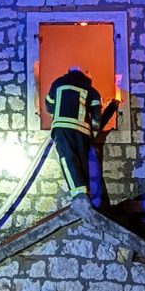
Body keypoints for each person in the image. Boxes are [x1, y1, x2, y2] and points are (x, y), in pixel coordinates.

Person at [45, 67, 119, 201]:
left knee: (68, 159)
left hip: (62, 129)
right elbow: (97, 122)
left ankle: (79, 196)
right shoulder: (92, 91)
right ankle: (87, 196)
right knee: (83, 164)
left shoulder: (58, 83)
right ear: (88, 78)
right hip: (83, 133)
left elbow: (49, 106)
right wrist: (113, 106)